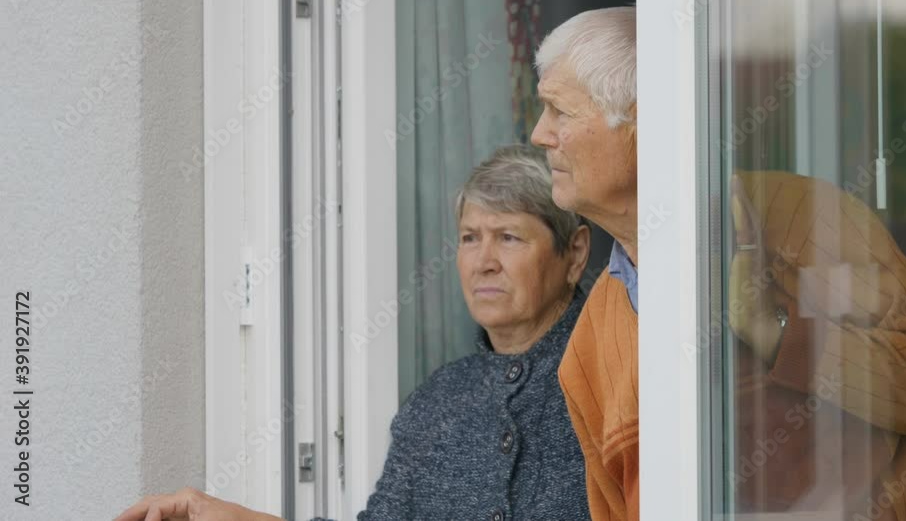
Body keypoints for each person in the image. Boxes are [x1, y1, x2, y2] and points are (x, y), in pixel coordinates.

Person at [530, 6, 906, 521]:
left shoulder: (804, 220)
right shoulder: (590, 341)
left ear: (641, 121)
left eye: (559, 111)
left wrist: (778, 333)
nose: (539, 134)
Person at [113, 145, 594, 521]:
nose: (483, 262)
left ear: (573, 255)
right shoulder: (438, 402)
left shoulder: (612, 379)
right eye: (470, 238)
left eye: (508, 237)